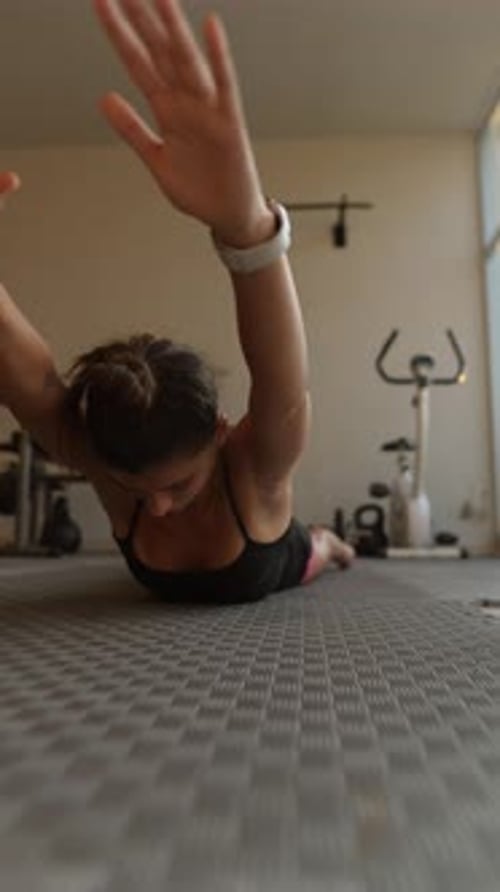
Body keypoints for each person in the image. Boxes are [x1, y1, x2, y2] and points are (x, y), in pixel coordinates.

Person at [0, 0, 354, 603]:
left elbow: (281, 379)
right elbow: (33, 385)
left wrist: (248, 229)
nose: (158, 508)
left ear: (219, 434)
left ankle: (330, 542)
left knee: (317, 549)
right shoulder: (105, 463)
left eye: (179, 486)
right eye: (137, 490)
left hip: (282, 559)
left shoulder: (257, 465)